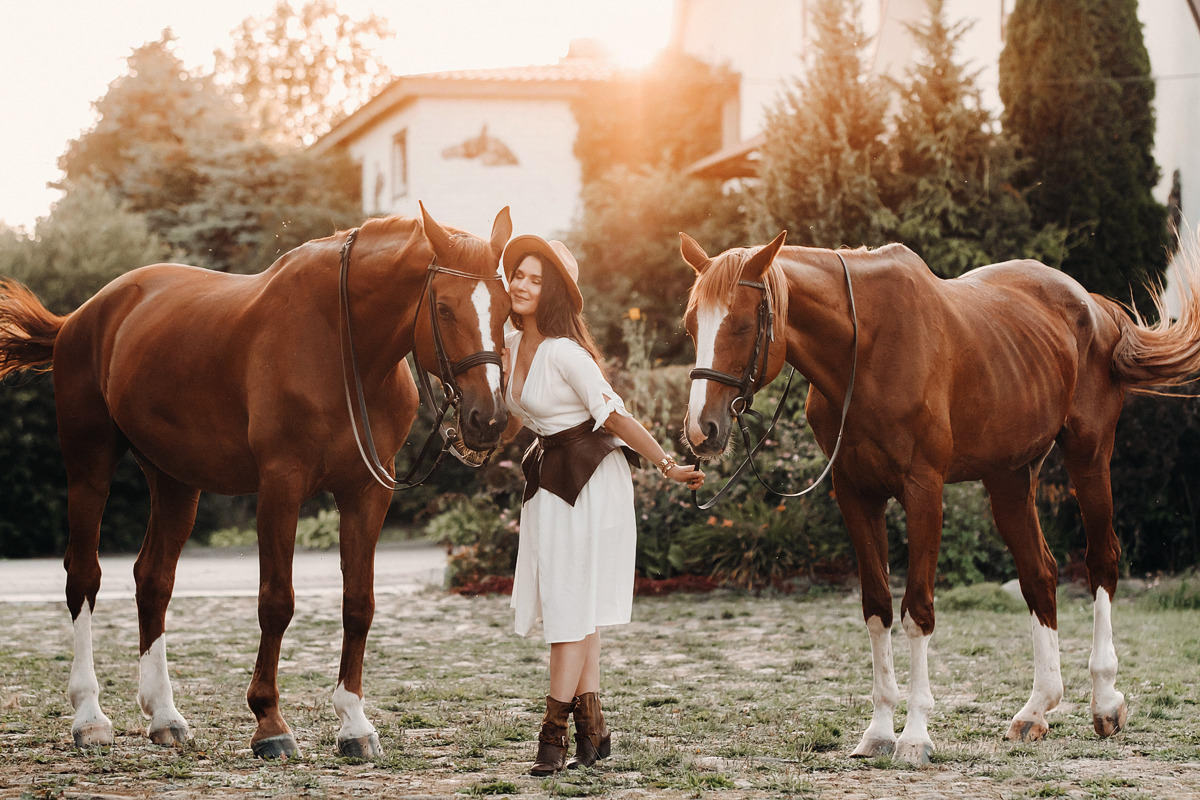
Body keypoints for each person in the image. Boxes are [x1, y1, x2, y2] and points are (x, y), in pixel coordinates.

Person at [500, 234, 704, 776]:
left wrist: (667, 465)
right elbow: (522, 414)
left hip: (591, 482)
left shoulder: (566, 354)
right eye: (518, 274)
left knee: (569, 610)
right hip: (550, 479)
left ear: (553, 294)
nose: (521, 284)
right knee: (577, 606)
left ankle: (552, 742)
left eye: (535, 279)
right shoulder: (508, 339)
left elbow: (612, 416)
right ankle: (593, 735)